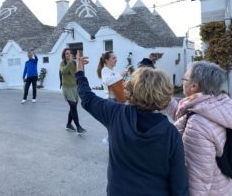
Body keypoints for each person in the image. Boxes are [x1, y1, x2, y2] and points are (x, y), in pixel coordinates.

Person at [75, 51, 189, 196]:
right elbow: (180, 186)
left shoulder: (115, 114)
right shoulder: (171, 134)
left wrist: (79, 71)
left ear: (131, 88)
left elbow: (87, 98)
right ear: (165, 95)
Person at [164, 61, 232, 196]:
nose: (182, 82)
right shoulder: (218, 104)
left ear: (194, 85)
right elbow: (184, 116)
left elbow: (198, 177)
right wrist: (164, 98)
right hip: (221, 186)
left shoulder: (198, 123)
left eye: (184, 79)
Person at [97, 51, 127, 144]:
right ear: (106, 60)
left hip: (118, 99)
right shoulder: (104, 70)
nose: (116, 60)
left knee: (118, 123)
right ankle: (111, 141)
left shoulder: (113, 71)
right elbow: (108, 81)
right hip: (112, 100)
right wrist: (120, 75)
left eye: (116, 57)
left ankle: (114, 141)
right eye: (113, 58)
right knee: (115, 123)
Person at [60, 48, 86, 135]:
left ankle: (68, 124)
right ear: (64, 55)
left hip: (74, 87)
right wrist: (69, 63)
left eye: (69, 53)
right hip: (66, 87)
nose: (68, 54)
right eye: (67, 53)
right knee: (73, 106)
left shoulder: (74, 63)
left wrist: (81, 63)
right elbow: (63, 71)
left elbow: (78, 71)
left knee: (73, 106)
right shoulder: (62, 63)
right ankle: (78, 127)